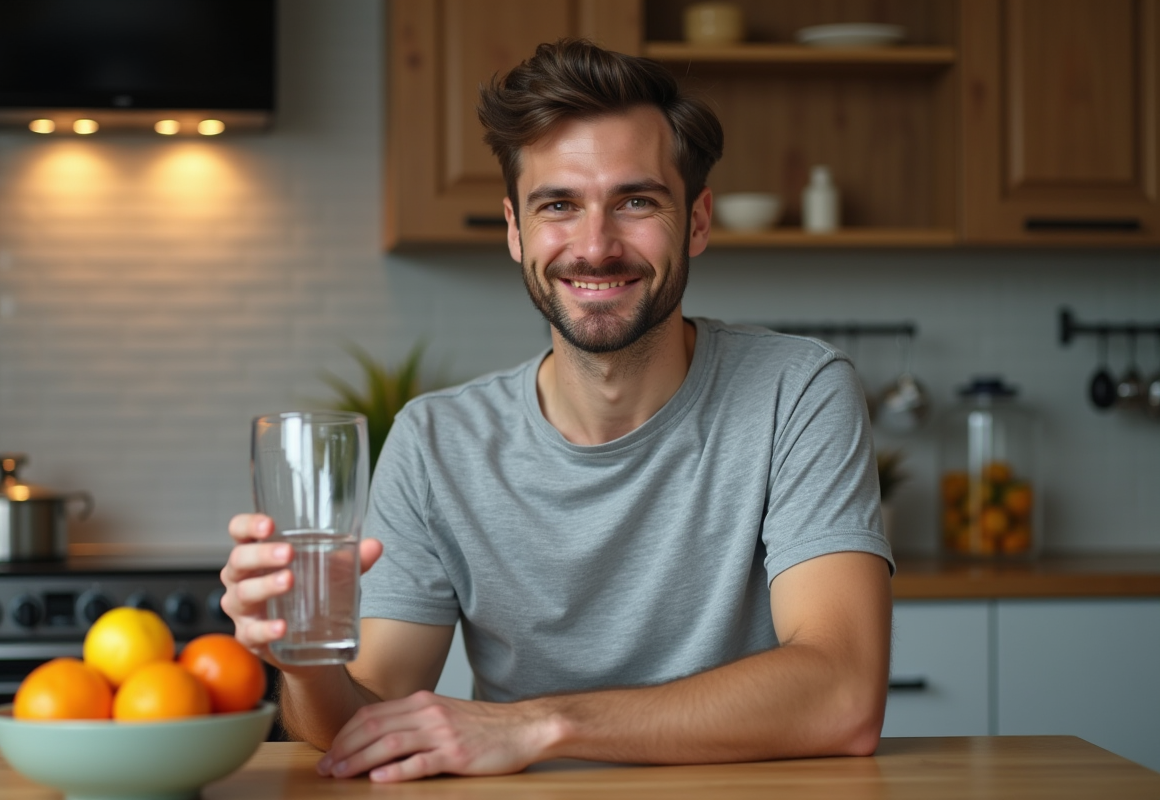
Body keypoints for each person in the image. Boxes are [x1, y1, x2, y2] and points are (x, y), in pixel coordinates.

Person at [220, 39, 893, 784]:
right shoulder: (435, 440)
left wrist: (540, 722)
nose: (595, 246)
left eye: (636, 201)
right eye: (559, 206)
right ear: (515, 230)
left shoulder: (797, 391)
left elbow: (842, 693)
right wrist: (306, 663)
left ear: (697, 222)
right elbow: (361, 724)